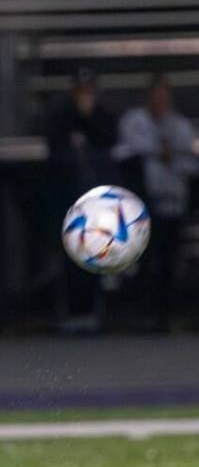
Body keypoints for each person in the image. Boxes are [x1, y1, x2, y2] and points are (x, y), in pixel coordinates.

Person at [114, 75, 198, 331]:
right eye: (156, 95)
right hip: (142, 202)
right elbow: (126, 152)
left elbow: (191, 163)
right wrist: (159, 151)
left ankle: (164, 313)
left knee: (169, 257)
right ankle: (142, 311)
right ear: (148, 96)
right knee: (145, 257)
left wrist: (171, 155)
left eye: (165, 96)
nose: (160, 101)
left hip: (173, 200)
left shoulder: (180, 126)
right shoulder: (134, 122)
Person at [45, 67, 118, 332]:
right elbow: (54, 154)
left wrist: (88, 118)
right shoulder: (60, 116)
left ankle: (95, 310)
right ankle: (72, 312)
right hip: (69, 199)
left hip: (96, 199)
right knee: (70, 257)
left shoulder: (102, 115)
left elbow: (110, 141)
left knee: (97, 253)